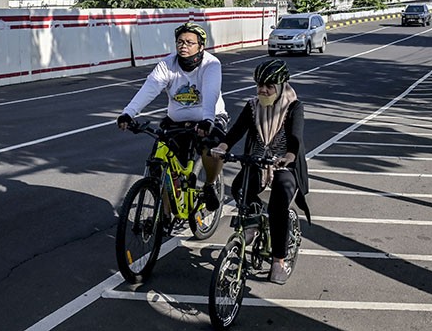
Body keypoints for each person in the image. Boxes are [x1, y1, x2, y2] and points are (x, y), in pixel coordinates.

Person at [211, 59, 311, 285]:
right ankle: (254, 224)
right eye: (259, 85)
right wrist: (223, 147)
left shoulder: (294, 107)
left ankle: (278, 261)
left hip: (285, 165)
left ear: (282, 84)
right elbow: (236, 130)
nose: (263, 90)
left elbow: (296, 136)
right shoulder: (253, 106)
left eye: (269, 85)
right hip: (257, 162)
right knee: (239, 187)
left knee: (278, 204)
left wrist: (289, 156)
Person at [117, 22, 227, 211]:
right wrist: (128, 113)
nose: (183, 46)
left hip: (209, 117)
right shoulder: (167, 64)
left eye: (189, 42)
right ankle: (165, 215)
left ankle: (209, 185)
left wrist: (208, 119)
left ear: (201, 46)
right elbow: (149, 88)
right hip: (176, 120)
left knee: (212, 149)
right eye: (180, 42)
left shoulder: (211, 64)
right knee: (161, 163)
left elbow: (211, 92)